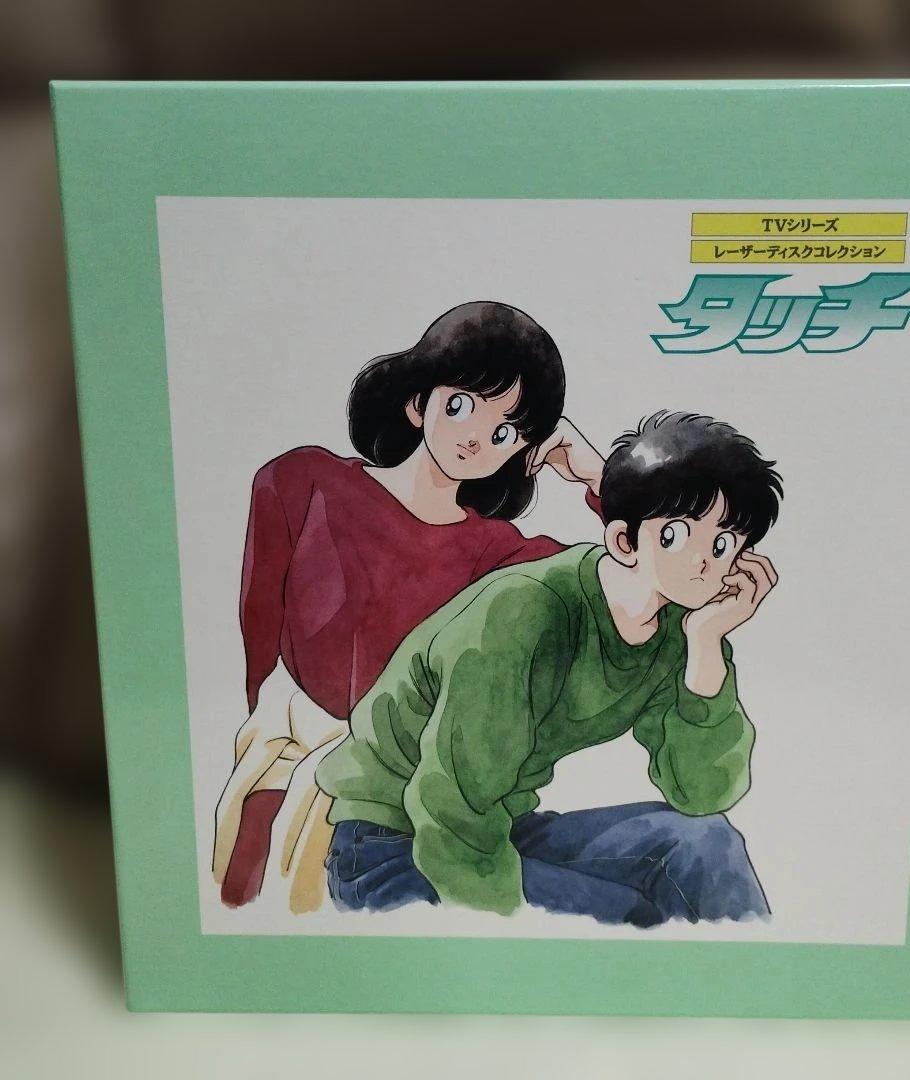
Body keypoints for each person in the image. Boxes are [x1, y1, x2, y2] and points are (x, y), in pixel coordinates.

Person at [317, 411, 782, 926]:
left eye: (722, 544)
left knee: (706, 842)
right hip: (392, 850)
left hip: (499, 828)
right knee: (632, 918)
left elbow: (704, 796)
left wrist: (707, 644)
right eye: (676, 534)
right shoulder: (526, 610)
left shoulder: (684, 634)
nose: (703, 561)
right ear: (624, 541)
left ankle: (753, 967)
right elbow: (450, 807)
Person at [213, 301, 607, 907]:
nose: (476, 439)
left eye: (505, 432)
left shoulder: (498, 552)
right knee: (235, 901)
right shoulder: (302, 479)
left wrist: (597, 478)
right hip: (275, 750)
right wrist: (259, 724)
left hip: (385, 792)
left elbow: (630, 577)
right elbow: (257, 619)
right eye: (463, 405)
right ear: (418, 402)